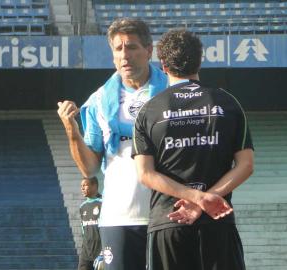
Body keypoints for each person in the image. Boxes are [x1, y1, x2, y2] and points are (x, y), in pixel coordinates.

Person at [132, 28, 254, 270]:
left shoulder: (149, 110)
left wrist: (194, 198)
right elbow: (246, 165)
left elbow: (145, 174)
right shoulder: (228, 102)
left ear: (163, 65)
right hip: (217, 220)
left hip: (169, 223)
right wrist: (204, 200)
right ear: (201, 60)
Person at [57, 18, 168, 270]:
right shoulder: (98, 100)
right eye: (118, 49)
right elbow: (89, 168)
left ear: (149, 51)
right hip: (118, 216)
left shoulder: (170, 94)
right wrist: (71, 130)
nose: (124, 55)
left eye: (131, 47)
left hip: (166, 214)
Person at [78, 176, 102, 270]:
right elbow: (83, 230)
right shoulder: (82, 206)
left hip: (101, 250)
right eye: (81, 186)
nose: (82, 188)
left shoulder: (103, 203)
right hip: (86, 251)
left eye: (85, 185)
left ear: (94, 186)